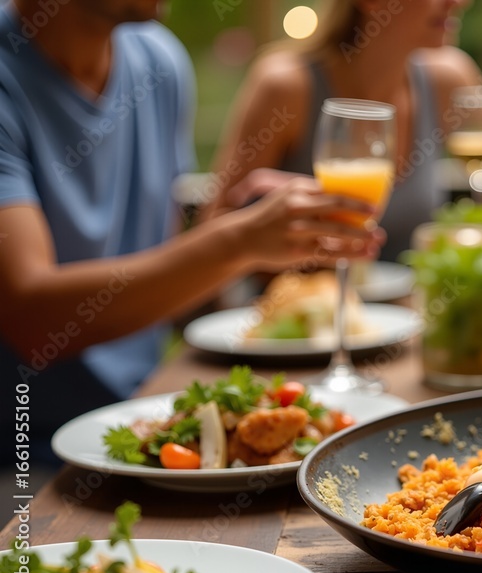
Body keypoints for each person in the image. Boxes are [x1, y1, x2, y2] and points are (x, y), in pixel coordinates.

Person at [0, 0, 383, 472]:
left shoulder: (158, 62)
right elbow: (31, 320)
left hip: (148, 417)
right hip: (25, 461)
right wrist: (236, 241)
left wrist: (251, 226)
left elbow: (161, 272)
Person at [202, 0, 482, 265]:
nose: (459, 2)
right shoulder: (286, 86)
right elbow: (215, 226)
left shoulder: (448, 77)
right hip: (294, 318)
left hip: (407, 317)